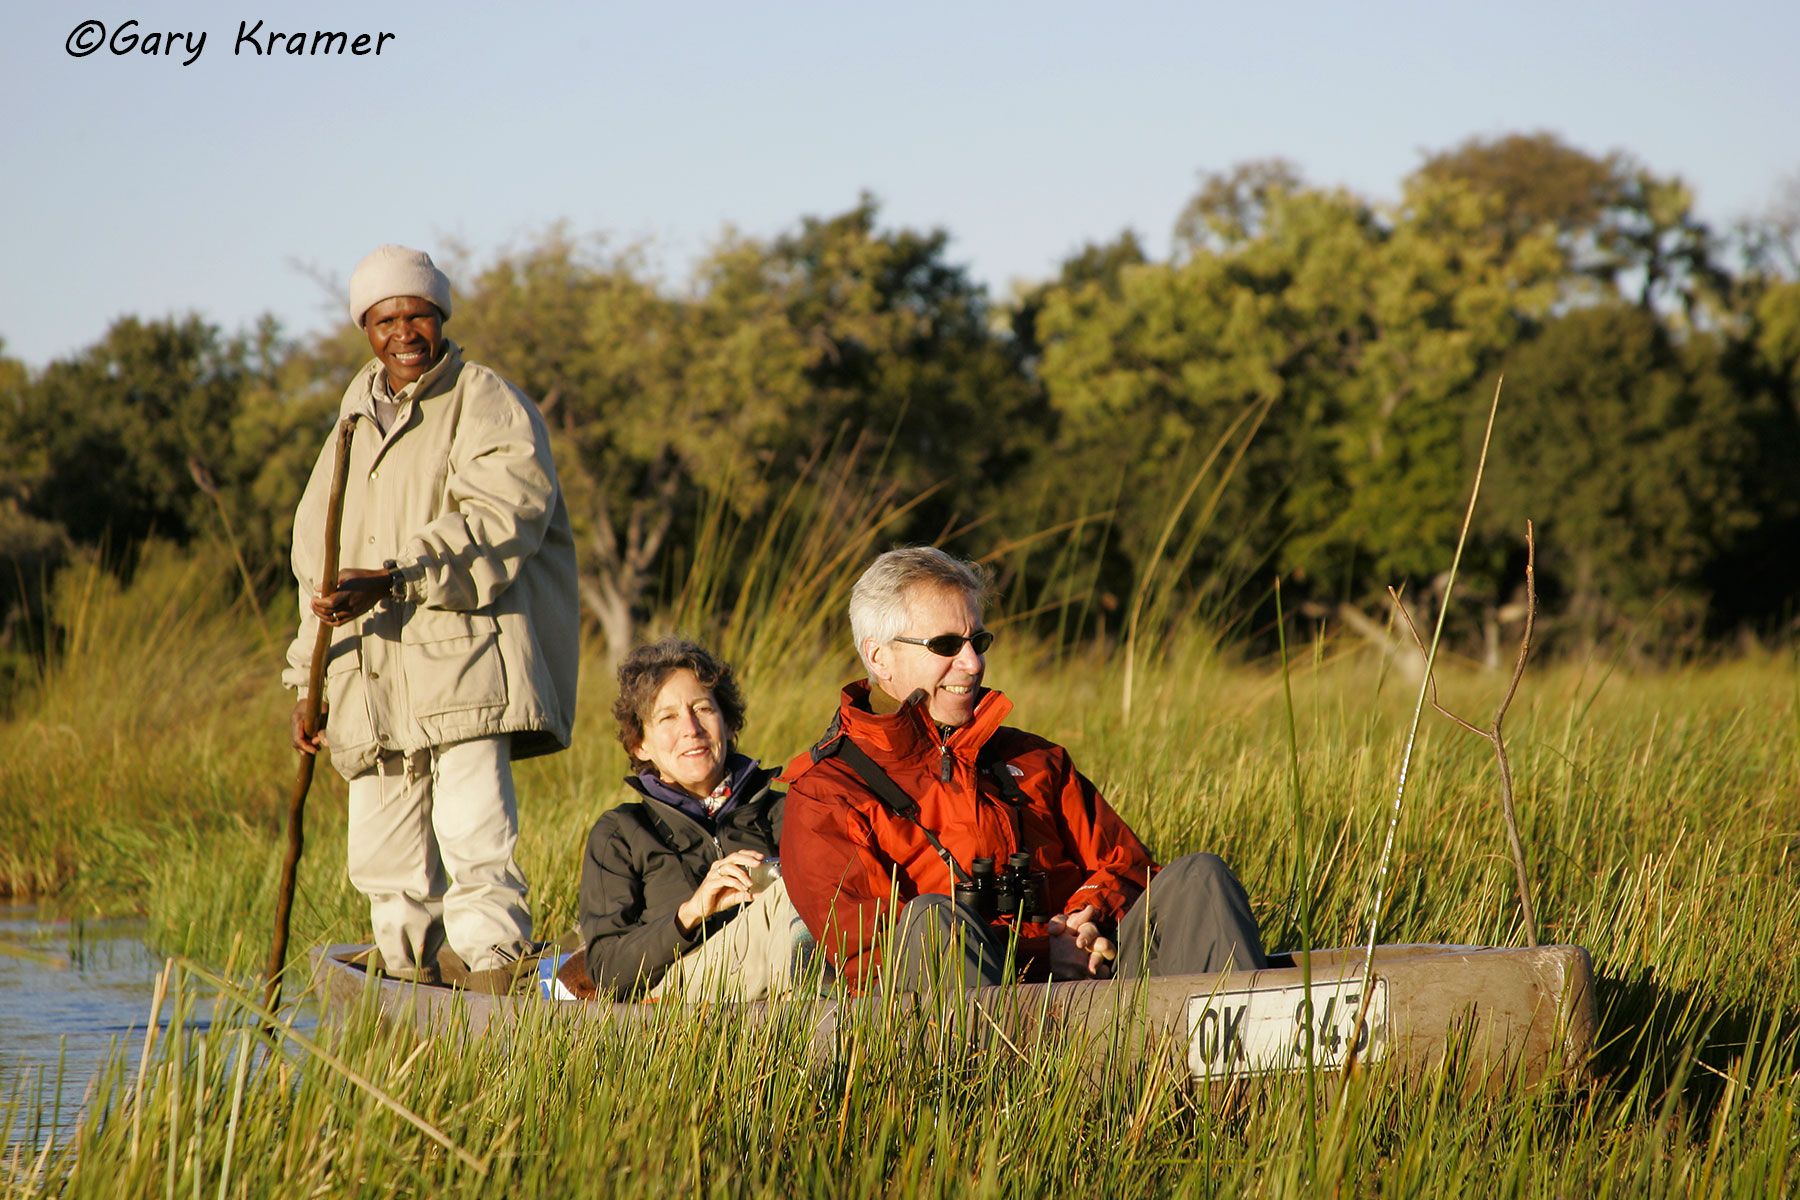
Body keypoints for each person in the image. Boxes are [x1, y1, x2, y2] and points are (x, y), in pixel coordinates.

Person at [284, 244, 579, 992]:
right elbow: (314, 570)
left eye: (418, 313)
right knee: (386, 865)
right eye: (387, 319)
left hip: (463, 667)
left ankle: (491, 989)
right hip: (368, 678)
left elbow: (506, 513)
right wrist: (305, 683)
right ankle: (409, 986)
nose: (404, 331)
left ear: (441, 316)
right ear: (366, 329)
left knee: (478, 847)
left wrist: (394, 575)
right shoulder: (347, 426)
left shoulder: (486, 400)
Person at [780, 547, 1267, 993]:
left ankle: (1242, 1076)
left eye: (979, 640)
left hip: (1097, 999)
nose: (972, 663)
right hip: (957, 1035)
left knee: (1201, 879)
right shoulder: (826, 794)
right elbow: (871, 958)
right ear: (878, 656)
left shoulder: (1037, 761)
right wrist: (1038, 957)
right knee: (932, 921)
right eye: (947, 645)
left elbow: (1126, 865)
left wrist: (1085, 918)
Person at [577, 637, 806, 1001]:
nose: (691, 728)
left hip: (771, 991)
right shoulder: (621, 833)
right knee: (789, 896)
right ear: (641, 744)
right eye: (667, 717)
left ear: (728, 724)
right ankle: (814, 1029)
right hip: (676, 1000)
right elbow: (607, 969)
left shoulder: (786, 811)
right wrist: (691, 912)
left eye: (702, 709)